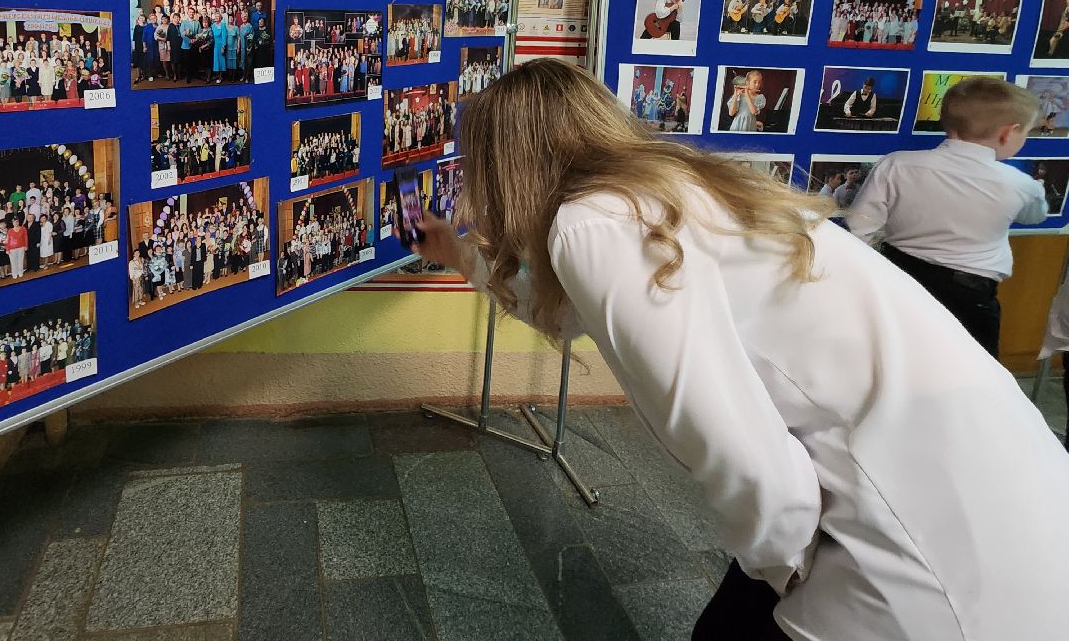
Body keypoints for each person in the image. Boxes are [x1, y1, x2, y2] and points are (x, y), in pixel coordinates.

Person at [413, 59, 1069, 641]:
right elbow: (565, 319)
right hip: (981, 478)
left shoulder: (596, 220)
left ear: (507, 162)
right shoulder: (655, 193)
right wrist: (464, 259)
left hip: (918, 525)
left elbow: (736, 448)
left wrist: (786, 570)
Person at [848, 79, 1047, 358]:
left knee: (896, 359)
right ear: (1007, 133)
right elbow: (1035, 216)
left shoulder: (897, 164)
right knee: (969, 369)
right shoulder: (1019, 184)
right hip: (969, 296)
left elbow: (859, 227)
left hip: (899, 281)